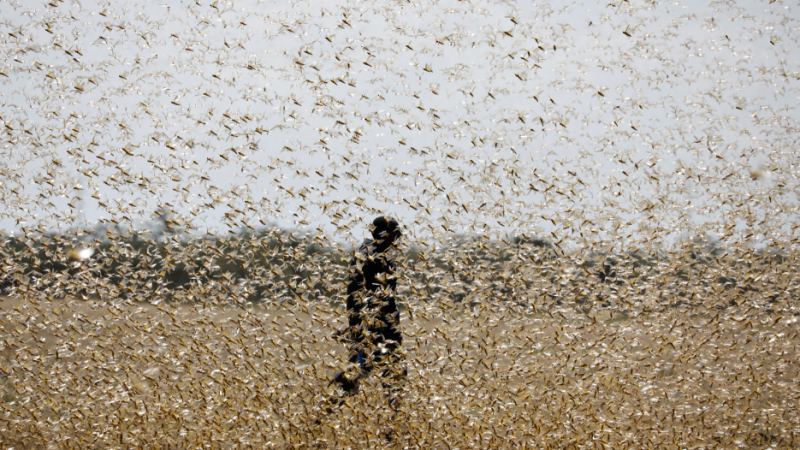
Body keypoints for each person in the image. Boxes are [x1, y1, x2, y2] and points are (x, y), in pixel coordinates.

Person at [328, 216, 405, 407]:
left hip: (384, 327)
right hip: (373, 328)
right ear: (384, 234)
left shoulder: (382, 255)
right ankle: (391, 426)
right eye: (395, 234)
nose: (398, 238)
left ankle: (323, 412)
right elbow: (354, 293)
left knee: (368, 371)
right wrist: (356, 326)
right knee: (390, 374)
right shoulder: (368, 256)